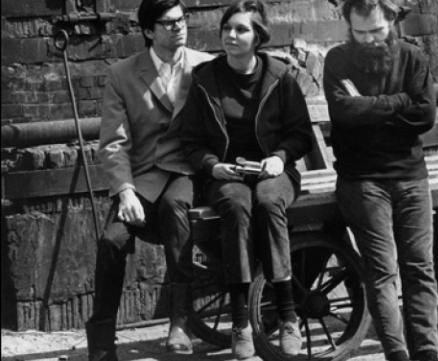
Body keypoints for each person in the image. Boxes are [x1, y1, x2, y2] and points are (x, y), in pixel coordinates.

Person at [178, 0, 313, 358]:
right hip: (226, 174)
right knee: (236, 207)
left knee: (268, 202)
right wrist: (211, 166)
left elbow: (300, 133)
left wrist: (279, 158)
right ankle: (240, 322)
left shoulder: (280, 76)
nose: (231, 36)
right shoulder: (205, 79)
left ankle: (287, 315)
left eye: (241, 30)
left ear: (258, 37)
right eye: (227, 29)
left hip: (273, 172)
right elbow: (189, 140)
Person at [86, 0, 213, 359]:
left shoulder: (205, 66)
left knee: (176, 208)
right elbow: (113, 143)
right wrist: (125, 191)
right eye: (168, 22)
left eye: (182, 19)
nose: (179, 27)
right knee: (112, 240)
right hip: (141, 178)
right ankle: (101, 342)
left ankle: (179, 323)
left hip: (187, 171)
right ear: (147, 31)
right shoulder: (123, 74)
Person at [323, 1, 438, 361]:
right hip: (362, 181)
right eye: (361, 32)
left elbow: (425, 115)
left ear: (392, 21)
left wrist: (370, 108)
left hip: (410, 177)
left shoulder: (413, 57)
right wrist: (400, 101)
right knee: (382, 270)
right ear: (349, 27)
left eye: (377, 30)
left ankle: (428, 352)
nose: (371, 39)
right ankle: (398, 354)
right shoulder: (337, 60)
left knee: (420, 267)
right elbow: (344, 112)